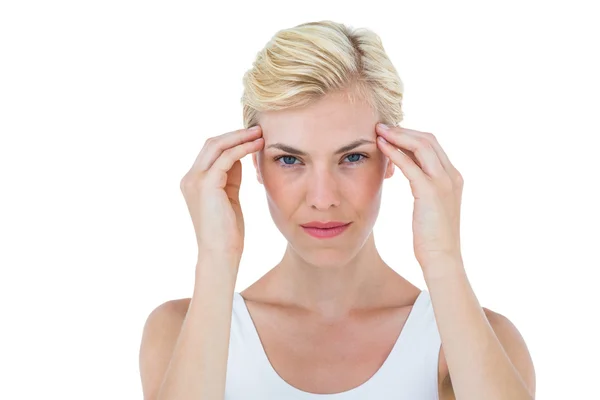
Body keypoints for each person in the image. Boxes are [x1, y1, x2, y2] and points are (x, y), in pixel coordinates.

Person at [138, 21, 536, 400]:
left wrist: (443, 258)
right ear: (254, 164)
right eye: (290, 160)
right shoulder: (176, 331)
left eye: (353, 157)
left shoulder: (473, 340)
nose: (323, 198)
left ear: (393, 158)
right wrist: (216, 259)